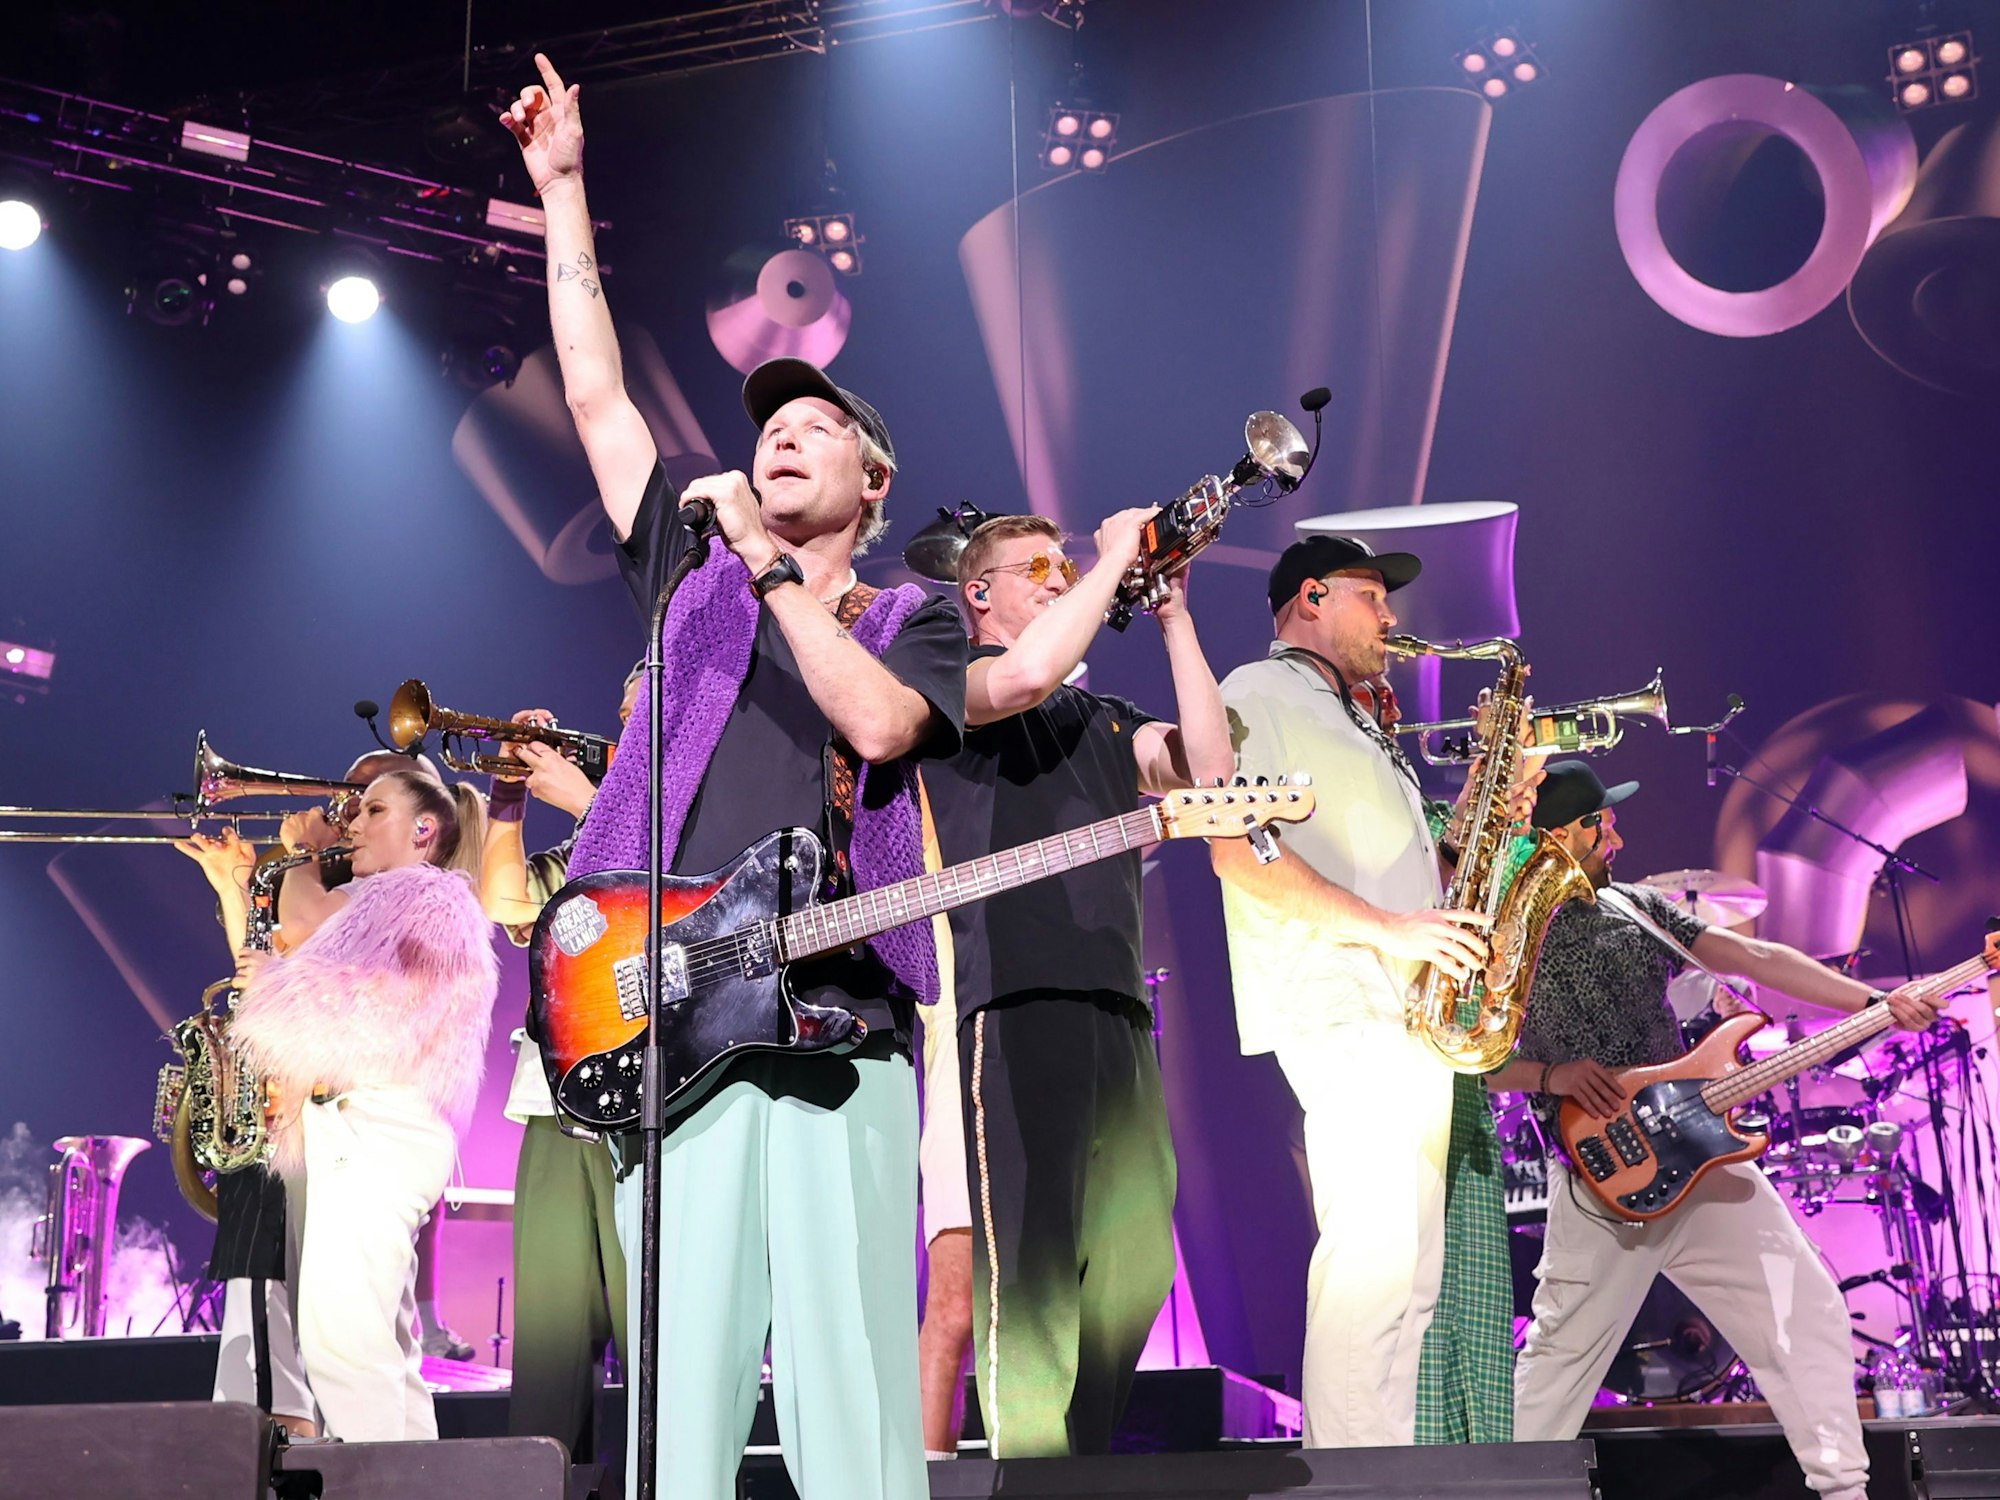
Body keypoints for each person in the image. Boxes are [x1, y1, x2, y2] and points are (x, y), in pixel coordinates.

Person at [504, 53, 967, 1500]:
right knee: (680, 1380)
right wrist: (562, 194)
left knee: (847, 1374)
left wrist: (770, 572)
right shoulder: (691, 577)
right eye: (769, 420)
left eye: (814, 422)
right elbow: (594, 397)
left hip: (838, 1019)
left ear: (873, 483)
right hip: (675, 1014)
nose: (778, 429)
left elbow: (883, 730)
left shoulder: (911, 616)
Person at [1487, 760, 1940, 1500]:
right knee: (1557, 1368)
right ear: (1566, 835)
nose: (1619, 836)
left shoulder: (1635, 906)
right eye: (1605, 825)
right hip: (1606, 1184)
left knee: (1806, 1309)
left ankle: (1845, 1491)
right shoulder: (1506, 933)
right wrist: (1552, 1076)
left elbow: (1755, 956)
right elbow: (1464, 1058)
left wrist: (1875, 1003)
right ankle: (1501, 1497)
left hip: (1698, 1157)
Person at [922, 511, 1232, 1458]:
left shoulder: (1102, 716)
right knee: (1033, 1265)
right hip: (1016, 1001)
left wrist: (1173, 615)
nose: (1061, 581)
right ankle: (1030, 1467)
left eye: (1068, 566)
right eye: (1040, 568)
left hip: (1118, 1008)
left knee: (1137, 1263)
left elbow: (1214, 776)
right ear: (980, 592)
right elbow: (1026, 673)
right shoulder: (954, 681)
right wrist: (1108, 563)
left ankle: (1077, 1463)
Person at [1209, 535, 1529, 1448]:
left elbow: (1416, 874)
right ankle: (1349, 1472)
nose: (1391, 618)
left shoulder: (1357, 718)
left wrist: (1476, 814)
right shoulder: (1254, 692)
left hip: (1405, 1009)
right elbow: (1240, 854)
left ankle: (1383, 1463)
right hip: (1343, 999)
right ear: (1311, 597)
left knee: (1412, 1275)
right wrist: (1392, 932)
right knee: (1373, 1258)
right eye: (1371, 596)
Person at [220, 766, 497, 1441]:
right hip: (363, 1126)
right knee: (379, 1346)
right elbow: (304, 956)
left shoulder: (422, 894)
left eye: (375, 810)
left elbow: (305, 920)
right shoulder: (391, 899)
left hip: (378, 1123)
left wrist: (300, 854)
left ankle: (379, 1486)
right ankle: (414, 1486)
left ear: (424, 830)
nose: (353, 822)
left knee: (343, 1343)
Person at [480, 675, 639, 1472]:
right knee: (546, 1348)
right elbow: (505, 902)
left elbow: (675, 874)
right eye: (621, 708)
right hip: (553, 1104)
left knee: (654, 1339)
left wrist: (588, 804)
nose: (622, 721)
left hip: (651, 1106)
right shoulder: (588, 841)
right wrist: (505, 798)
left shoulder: (681, 816)